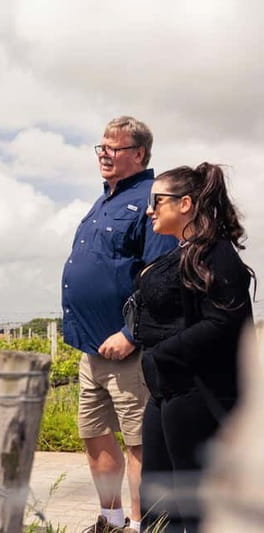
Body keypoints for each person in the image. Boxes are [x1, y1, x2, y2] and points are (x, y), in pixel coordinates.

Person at [61, 116, 177, 533]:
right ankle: (110, 520)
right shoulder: (102, 201)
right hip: (90, 348)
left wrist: (131, 335)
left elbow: (160, 276)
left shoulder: (150, 197)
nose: (104, 155)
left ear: (140, 154)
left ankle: (143, 522)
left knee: (139, 442)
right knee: (94, 435)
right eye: (101, 148)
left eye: (114, 148)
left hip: (128, 350)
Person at [136, 163, 254, 532]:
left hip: (195, 395)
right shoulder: (184, 253)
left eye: (158, 200)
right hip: (167, 391)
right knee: (157, 497)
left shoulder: (215, 255)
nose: (150, 209)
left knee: (190, 501)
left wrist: (162, 355)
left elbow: (224, 323)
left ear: (185, 203)